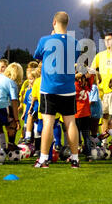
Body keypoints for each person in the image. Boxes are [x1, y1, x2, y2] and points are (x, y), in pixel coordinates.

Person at [33, 11, 81, 168]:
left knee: (48, 122)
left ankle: (43, 159)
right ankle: (75, 159)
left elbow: (37, 56)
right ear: (67, 23)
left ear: (54, 22)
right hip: (68, 88)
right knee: (70, 123)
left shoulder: (45, 40)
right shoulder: (75, 42)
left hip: (49, 88)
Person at [74, 68, 93, 161]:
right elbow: (92, 74)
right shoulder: (87, 85)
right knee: (86, 136)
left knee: (76, 136)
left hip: (77, 114)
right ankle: (88, 155)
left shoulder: (75, 85)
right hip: (86, 113)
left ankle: (75, 155)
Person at [89, 72, 103, 145]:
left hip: (94, 112)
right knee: (92, 129)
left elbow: (92, 101)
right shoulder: (88, 86)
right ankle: (93, 144)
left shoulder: (93, 87)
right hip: (91, 111)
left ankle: (97, 145)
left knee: (94, 129)